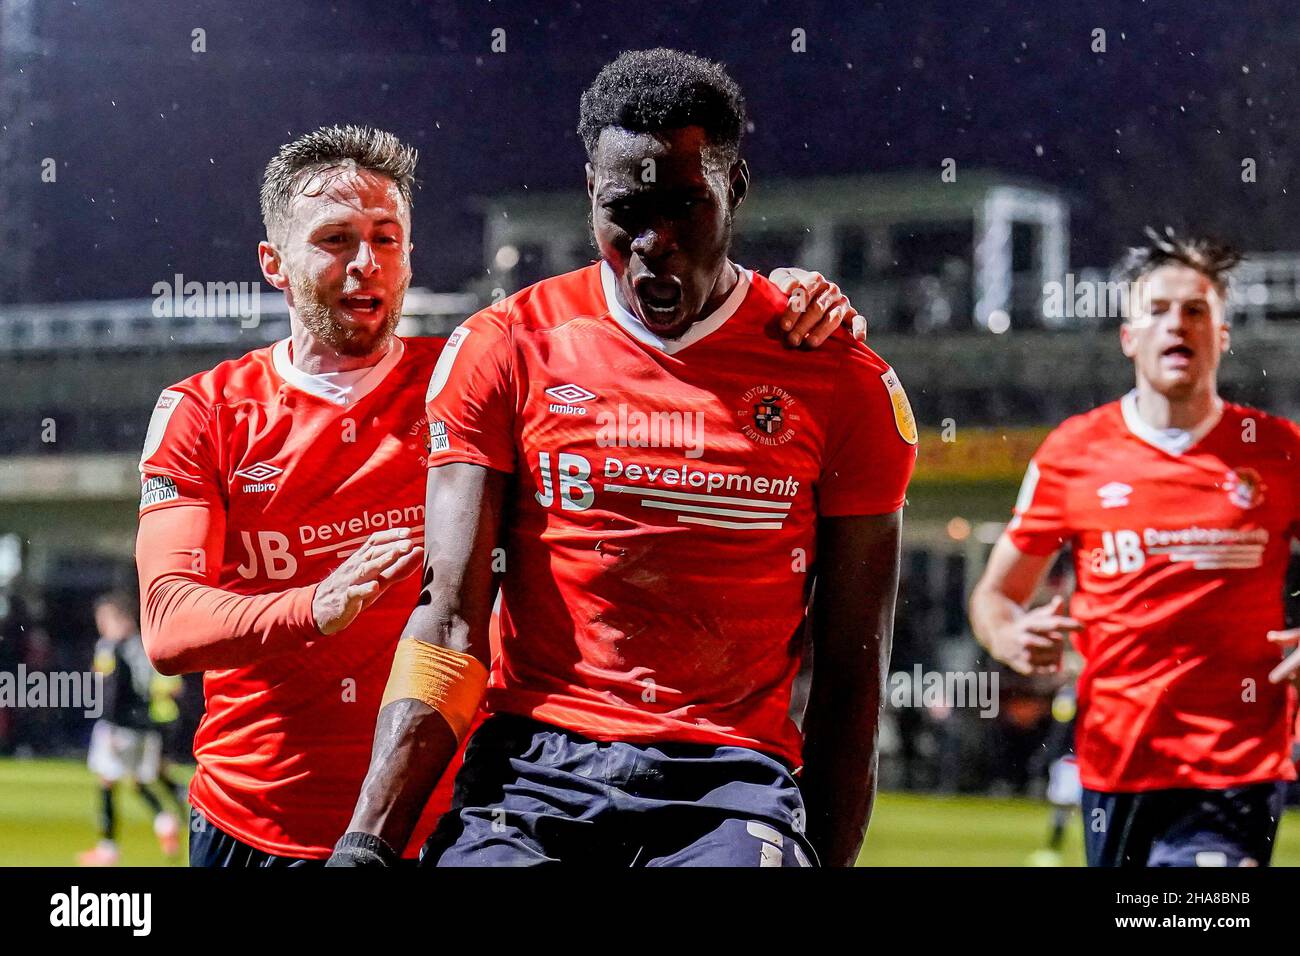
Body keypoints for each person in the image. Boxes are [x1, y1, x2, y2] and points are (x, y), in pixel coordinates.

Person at [136, 123, 864, 867]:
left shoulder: (475, 376)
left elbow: (629, 329)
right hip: (248, 823)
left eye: (387, 239)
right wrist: (314, 605)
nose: (366, 264)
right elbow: (167, 626)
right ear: (273, 263)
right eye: (335, 240)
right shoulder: (206, 411)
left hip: (438, 828)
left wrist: (790, 302)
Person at [329, 48, 918, 869]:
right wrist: (367, 844)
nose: (655, 243)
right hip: (531, 773)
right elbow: (452, 620)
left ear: (735, 190)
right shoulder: (505, 349)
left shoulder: (842, 382)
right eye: (626, 210)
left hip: (729, 786)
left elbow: (856, 671)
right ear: (588, 195)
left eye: (686, 205)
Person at [970, 228, 1300, 867]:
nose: (1178, 324)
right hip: (1114, 764)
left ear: (1222, 336)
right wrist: (1006, 635)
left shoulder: (1277, 451)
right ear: (1129, 336)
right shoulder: (1074, 452)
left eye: (1197, 310)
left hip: (1236, 763)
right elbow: (997, 593)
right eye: (1157, 310)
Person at [77, 591, 185, 865]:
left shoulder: (111, 647)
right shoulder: (146, 646)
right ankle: (165, 821)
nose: (101, 625)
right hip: (146, 725)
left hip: (119, 725)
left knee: (107, 781)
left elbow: (113, 690)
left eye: (104, 619)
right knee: (140, 781)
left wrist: (110, 725)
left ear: (119, 619)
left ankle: (108, 848)